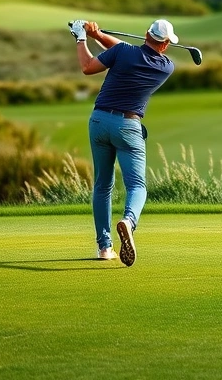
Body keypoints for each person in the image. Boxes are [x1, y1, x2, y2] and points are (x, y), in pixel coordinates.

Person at [69, 18, 177, 266]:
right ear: (166, 44)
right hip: (129, 126)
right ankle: (128, 221)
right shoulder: (166, 67)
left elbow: (87, 66)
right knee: (137, 186)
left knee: (102, 186)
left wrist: (81, 37)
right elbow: (125, 51)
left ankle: (104, 247)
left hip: (98, 122)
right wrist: (97, 35)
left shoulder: (122, 52)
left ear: (146, 34)